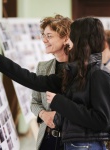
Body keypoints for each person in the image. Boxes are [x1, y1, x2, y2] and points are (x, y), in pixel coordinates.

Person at [0, 17, 110, 150]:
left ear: (81, 40)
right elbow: (34, 81)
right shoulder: (77, 70)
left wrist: (60, 102)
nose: (69, 41)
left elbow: (101, 120)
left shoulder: (98, 74)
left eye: (72, 37)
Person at [31, 14, 72, 150]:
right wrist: (44, 114)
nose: (44, 40)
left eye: (49, 36)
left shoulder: (81, 70)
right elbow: (34, 102)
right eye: (43, 35)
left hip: (72, 142)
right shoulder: (43, 67)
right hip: (47, 139)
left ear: (66, 38)